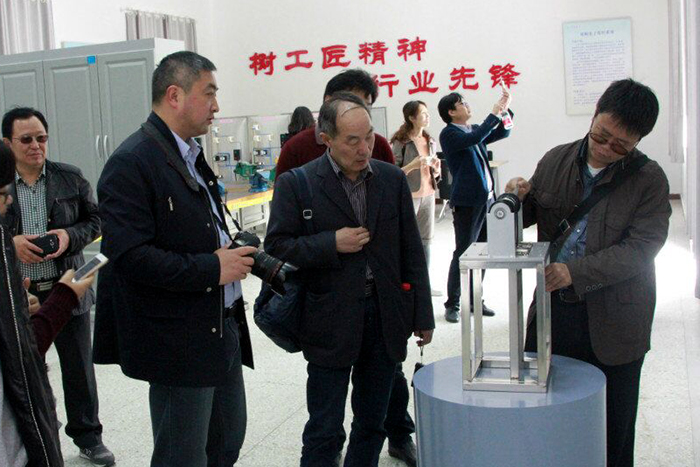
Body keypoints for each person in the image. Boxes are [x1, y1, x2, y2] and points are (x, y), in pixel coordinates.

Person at [93, 51, 257, 467]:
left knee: (227, 440)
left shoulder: (190, 155)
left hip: (220, 325)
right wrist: (212, 268)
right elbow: (129, 257)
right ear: (174, 96)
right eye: (209, 93)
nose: (217, 105)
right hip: (178, 340)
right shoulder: (132, 162)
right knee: (181, 454)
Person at [506, 78, 671, 467]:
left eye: (621, 145)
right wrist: (514, 197)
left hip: (617, 319)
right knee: (550, 419)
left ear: (638, 141)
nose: (606, 148)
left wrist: (574, 272)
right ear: (595, 114)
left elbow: (641, 248)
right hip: (554, 313)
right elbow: (527, 218)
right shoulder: (555, 161)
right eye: (601, 135)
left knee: (612, 430)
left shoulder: (649, 180)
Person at [265, 92, 434, 467]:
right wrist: (330, 243)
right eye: (352, 140)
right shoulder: (299, 183)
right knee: (324, 428)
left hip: (385, 317)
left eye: (369, 137)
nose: (364, 148)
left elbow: (411, 251)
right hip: (329, 318)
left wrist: (422, 314)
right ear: (326, 138)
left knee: (372, 423)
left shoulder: (391, 179)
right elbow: (276, 246)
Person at [1, 107, 114, 465]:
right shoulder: (3, 188)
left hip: (68, 283)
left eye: (42, 138)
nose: (36, 145)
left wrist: (68, 236)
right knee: (27, 370)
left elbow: (96, 221)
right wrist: (11, 243)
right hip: (22, 292)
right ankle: (37, 432)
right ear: (8, 143)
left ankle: (88, 436)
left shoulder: (70, 177)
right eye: (26, 139)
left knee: (79, 369)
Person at [438, 86, 512, 323]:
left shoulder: (473, 129)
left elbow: (504, 133)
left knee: (483, 251)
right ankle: (453, 303)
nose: (467, 105)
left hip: (487, 199)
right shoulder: (449, 134)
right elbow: (475, 138)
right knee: (464, 252)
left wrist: (505, 110)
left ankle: (474, 300)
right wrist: (494, 112)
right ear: (451, 112)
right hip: (468, 202)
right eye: (462, 103)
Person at [275, 69, 394, 177]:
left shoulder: (380, 146)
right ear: (328, 101)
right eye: (352, 103)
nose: (364, 150)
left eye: (367, 106)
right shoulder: (295, 148)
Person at [390, 100, 441, 296]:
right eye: (423, 113)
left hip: (429, 195)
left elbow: (434, 174)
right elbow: (394, 173)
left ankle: (424, 284)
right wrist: (413, 165)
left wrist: (436, 169)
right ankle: (406, 282)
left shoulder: (429, 140)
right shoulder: (401, 142)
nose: (427, 117)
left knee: (426, 241)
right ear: (411, 117)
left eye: (427, 113)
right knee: (407, 241)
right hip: (409, 196)